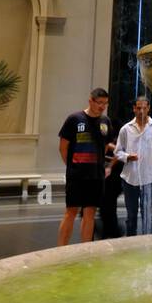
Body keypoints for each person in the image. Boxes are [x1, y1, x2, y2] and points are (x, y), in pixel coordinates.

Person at [58, 88, 114, 245]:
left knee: (90, 212)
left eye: (105, 103)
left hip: (96, 176)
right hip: (76, 175)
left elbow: (104, 146)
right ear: (91, 101)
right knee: (71, 212)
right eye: (99, 103)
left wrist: (102, 166)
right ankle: (60, 250)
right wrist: (72, 167)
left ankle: (86, 250)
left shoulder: (105, 122)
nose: (102, 106)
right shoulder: (74, 119)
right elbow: (63, 147)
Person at [114, 95, 152, 237]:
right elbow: (117, 151)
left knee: (147, 215)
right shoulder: (126, 129)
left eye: (144, 108)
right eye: (138, 108)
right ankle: (132, 243)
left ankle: (148, 243)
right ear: (134, 109)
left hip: (149, 178)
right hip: (130, 178)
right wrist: (127, 157)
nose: (141, 111)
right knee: (131, 215)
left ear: (148, 108)